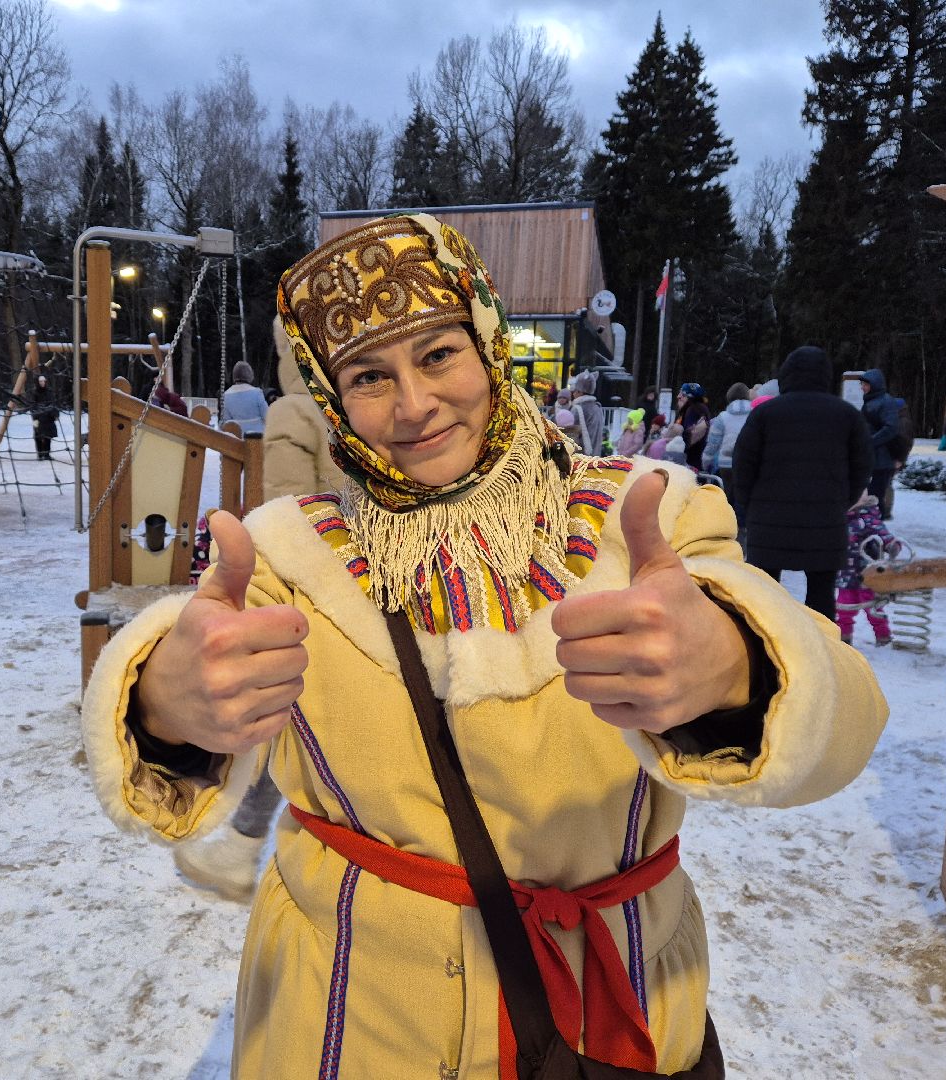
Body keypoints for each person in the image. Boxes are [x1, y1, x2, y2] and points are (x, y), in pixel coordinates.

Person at [82, 215, 886, 1078]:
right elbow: (176, 717)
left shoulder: (648, 518)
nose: (414, 405)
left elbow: (844, 723)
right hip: (348, 1021)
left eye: (437, 354)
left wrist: (733, 665)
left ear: (490, 340)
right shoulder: (289, 553)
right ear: (329, 398)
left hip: (612, 1014)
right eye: (367, 376)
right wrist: (165, 701)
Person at [174, 317, 351, 901]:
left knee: (289, 720)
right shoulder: (362, 404)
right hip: (379, 581)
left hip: (322, 588)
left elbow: (289, 509)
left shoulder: (296, 413)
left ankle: (242, 845)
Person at [733, 346, 875, 622]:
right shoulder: (847, 415)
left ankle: (763, 655)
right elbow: (862, 467)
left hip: (769, 520)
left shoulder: (765, 413)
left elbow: (743, 465)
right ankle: (818, 654)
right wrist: (842, 501)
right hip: (825, 521)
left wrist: (750, 508)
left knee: (764, 596)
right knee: (821, 598)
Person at [835, 491, 901, 647]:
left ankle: (883, 635)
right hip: (845, 573)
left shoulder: (868, 517)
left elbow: (882, 533)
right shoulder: (840, 515)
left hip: (868, 573)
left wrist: (891, 544)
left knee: (873, 607)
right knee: (844, 607)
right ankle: (844, 638)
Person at [702, 383, 752, 510]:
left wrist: (705, 462)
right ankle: (744, 526)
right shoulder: (755, 414)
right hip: (749, 463)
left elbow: (713, 444)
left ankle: (728, 524)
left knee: (728, 497)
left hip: (726, 464)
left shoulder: (722, 417)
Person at [858, 369, 899, 505]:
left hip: (882, 459)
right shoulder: (871, 400)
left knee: (875, 497)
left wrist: (870, 441)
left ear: (875, 384)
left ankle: (876, 524)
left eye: (865, 384)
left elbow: (891, 428)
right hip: (872, 457)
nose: (862, 387)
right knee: (868, 497)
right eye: (862, 384)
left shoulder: (886, 402)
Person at [563, 369, 605, 456]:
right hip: (595, 455)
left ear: (580, 391)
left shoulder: (578, 409)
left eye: (575, 391)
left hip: (581, 456)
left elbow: (570, 434)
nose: (573, 394)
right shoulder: (597, 407)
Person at [221, 360, 269, 435]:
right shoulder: (257, 393)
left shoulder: (226, 395)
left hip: (237, 438)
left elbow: (226, 421)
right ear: (250, 375)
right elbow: (267, 416)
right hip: (257, 438)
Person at [675, 382, 711, 471]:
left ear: (691, 397)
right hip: (695, 460)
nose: (678, 397)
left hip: (691, 461)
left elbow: (689, 435)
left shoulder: (693, 410)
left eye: (682, 394)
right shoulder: (694, 409)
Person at [28, 372, 58, 460]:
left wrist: (55, 414)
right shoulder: (34, 393)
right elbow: (32, 406)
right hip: (38, 418)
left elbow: (53, 403)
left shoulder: (49, 392)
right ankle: (40, 454)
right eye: (40, 381)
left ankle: (46, 454)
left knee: (48, 436)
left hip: (49, 418)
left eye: (43, 381)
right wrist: (35, 417)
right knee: (38, 436)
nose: (42, 383)